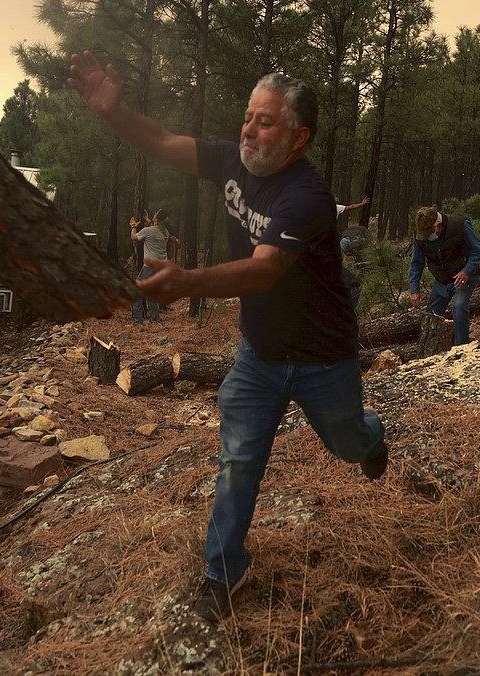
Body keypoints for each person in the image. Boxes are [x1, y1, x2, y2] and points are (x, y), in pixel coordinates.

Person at [68, 50, 388, 624]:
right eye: (248, 116)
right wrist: (115, 114)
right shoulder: (230, 160)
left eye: (266, 122)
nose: (249, 128)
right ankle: (223, 570)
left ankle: (370, 438)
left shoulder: (308, 196)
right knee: (238, 460)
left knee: (347, 445)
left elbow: (265, 269)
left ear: (298, 136)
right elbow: (164, 142)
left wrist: (187, 281)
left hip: (322, 359)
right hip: (259, 356)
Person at [408, 206, 480, 346]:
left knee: (459, 306)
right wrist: (414, 288)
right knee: (431, 316)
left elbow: (478, 251)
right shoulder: (419, 235)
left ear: (438, 226)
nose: (427, 237)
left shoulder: (460, 225)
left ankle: (461, 349)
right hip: (441, 281)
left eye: (429, 233)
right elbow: (416, 263)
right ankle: (428, 351)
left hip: (463, 277)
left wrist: (467, 271)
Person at [130, 208, 177, 325]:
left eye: (155, 214)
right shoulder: (165, 233)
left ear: (157, 218)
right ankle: (155, 319)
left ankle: (137, 321)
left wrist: (133, 226)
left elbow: (134, 238)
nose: (153, 214)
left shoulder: (148, 231)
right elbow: (156, 232)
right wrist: (151, 222)